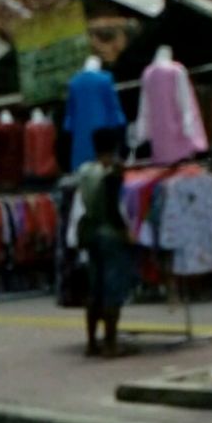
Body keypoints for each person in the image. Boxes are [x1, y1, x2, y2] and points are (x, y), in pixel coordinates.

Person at [75, 127, 132, 358]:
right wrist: (126, 231)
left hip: (90, 233)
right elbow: (113, 208)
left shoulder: (85, 171)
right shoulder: (112, 175)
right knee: (112, 290)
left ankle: (91, 342)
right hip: (110, 235)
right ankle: (111, 343)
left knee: (94, 288)